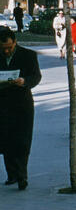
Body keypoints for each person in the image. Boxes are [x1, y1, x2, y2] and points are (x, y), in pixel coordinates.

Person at [0, 27, 42, 190]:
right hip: (2, 104)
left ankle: (22, 175)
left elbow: (36, 76)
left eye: (9, 47)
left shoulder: (28, 55)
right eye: (3, 49)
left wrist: (24, 81)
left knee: (22, 140)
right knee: (5, 139)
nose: (7, 51)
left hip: (22, 104)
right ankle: (12, 174)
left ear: (15, 42)